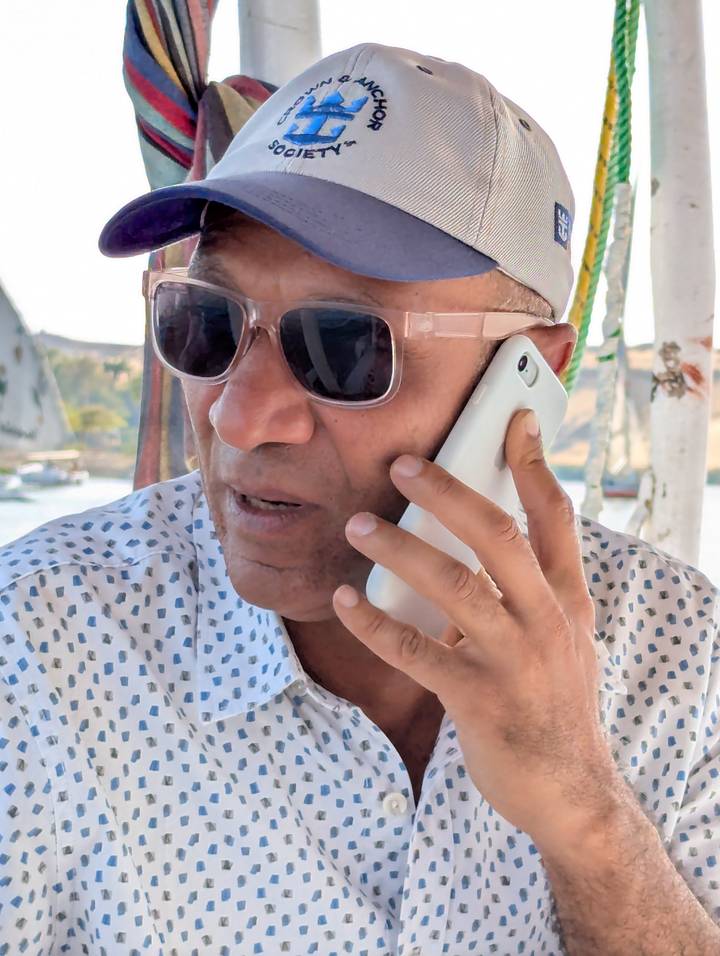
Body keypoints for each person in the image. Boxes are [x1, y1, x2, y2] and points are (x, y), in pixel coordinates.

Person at [1, 43, 718, 956]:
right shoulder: (38, 648)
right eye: (204, 324)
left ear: (531, 373)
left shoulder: (678, 653)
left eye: (345, 346)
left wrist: (588, 815)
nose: (239, 415)